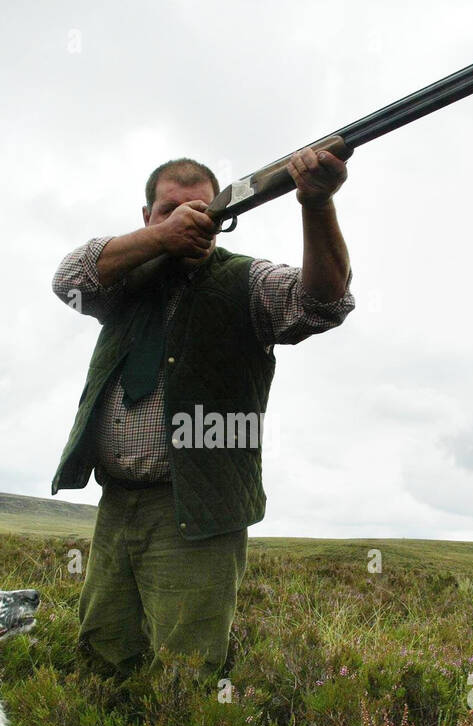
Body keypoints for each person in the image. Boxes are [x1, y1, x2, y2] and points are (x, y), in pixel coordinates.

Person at [50, 148, 353, 677]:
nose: (190, 218)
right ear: (147, 216)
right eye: (170, 210)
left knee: (186, 672)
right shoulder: (122, 283)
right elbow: (68, 280)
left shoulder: (247, 282)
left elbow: (322, 305)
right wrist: (159, 241)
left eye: (204, 207)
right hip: (116, 502)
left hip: (198, 510)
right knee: (103, 654)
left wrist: (317, 203)